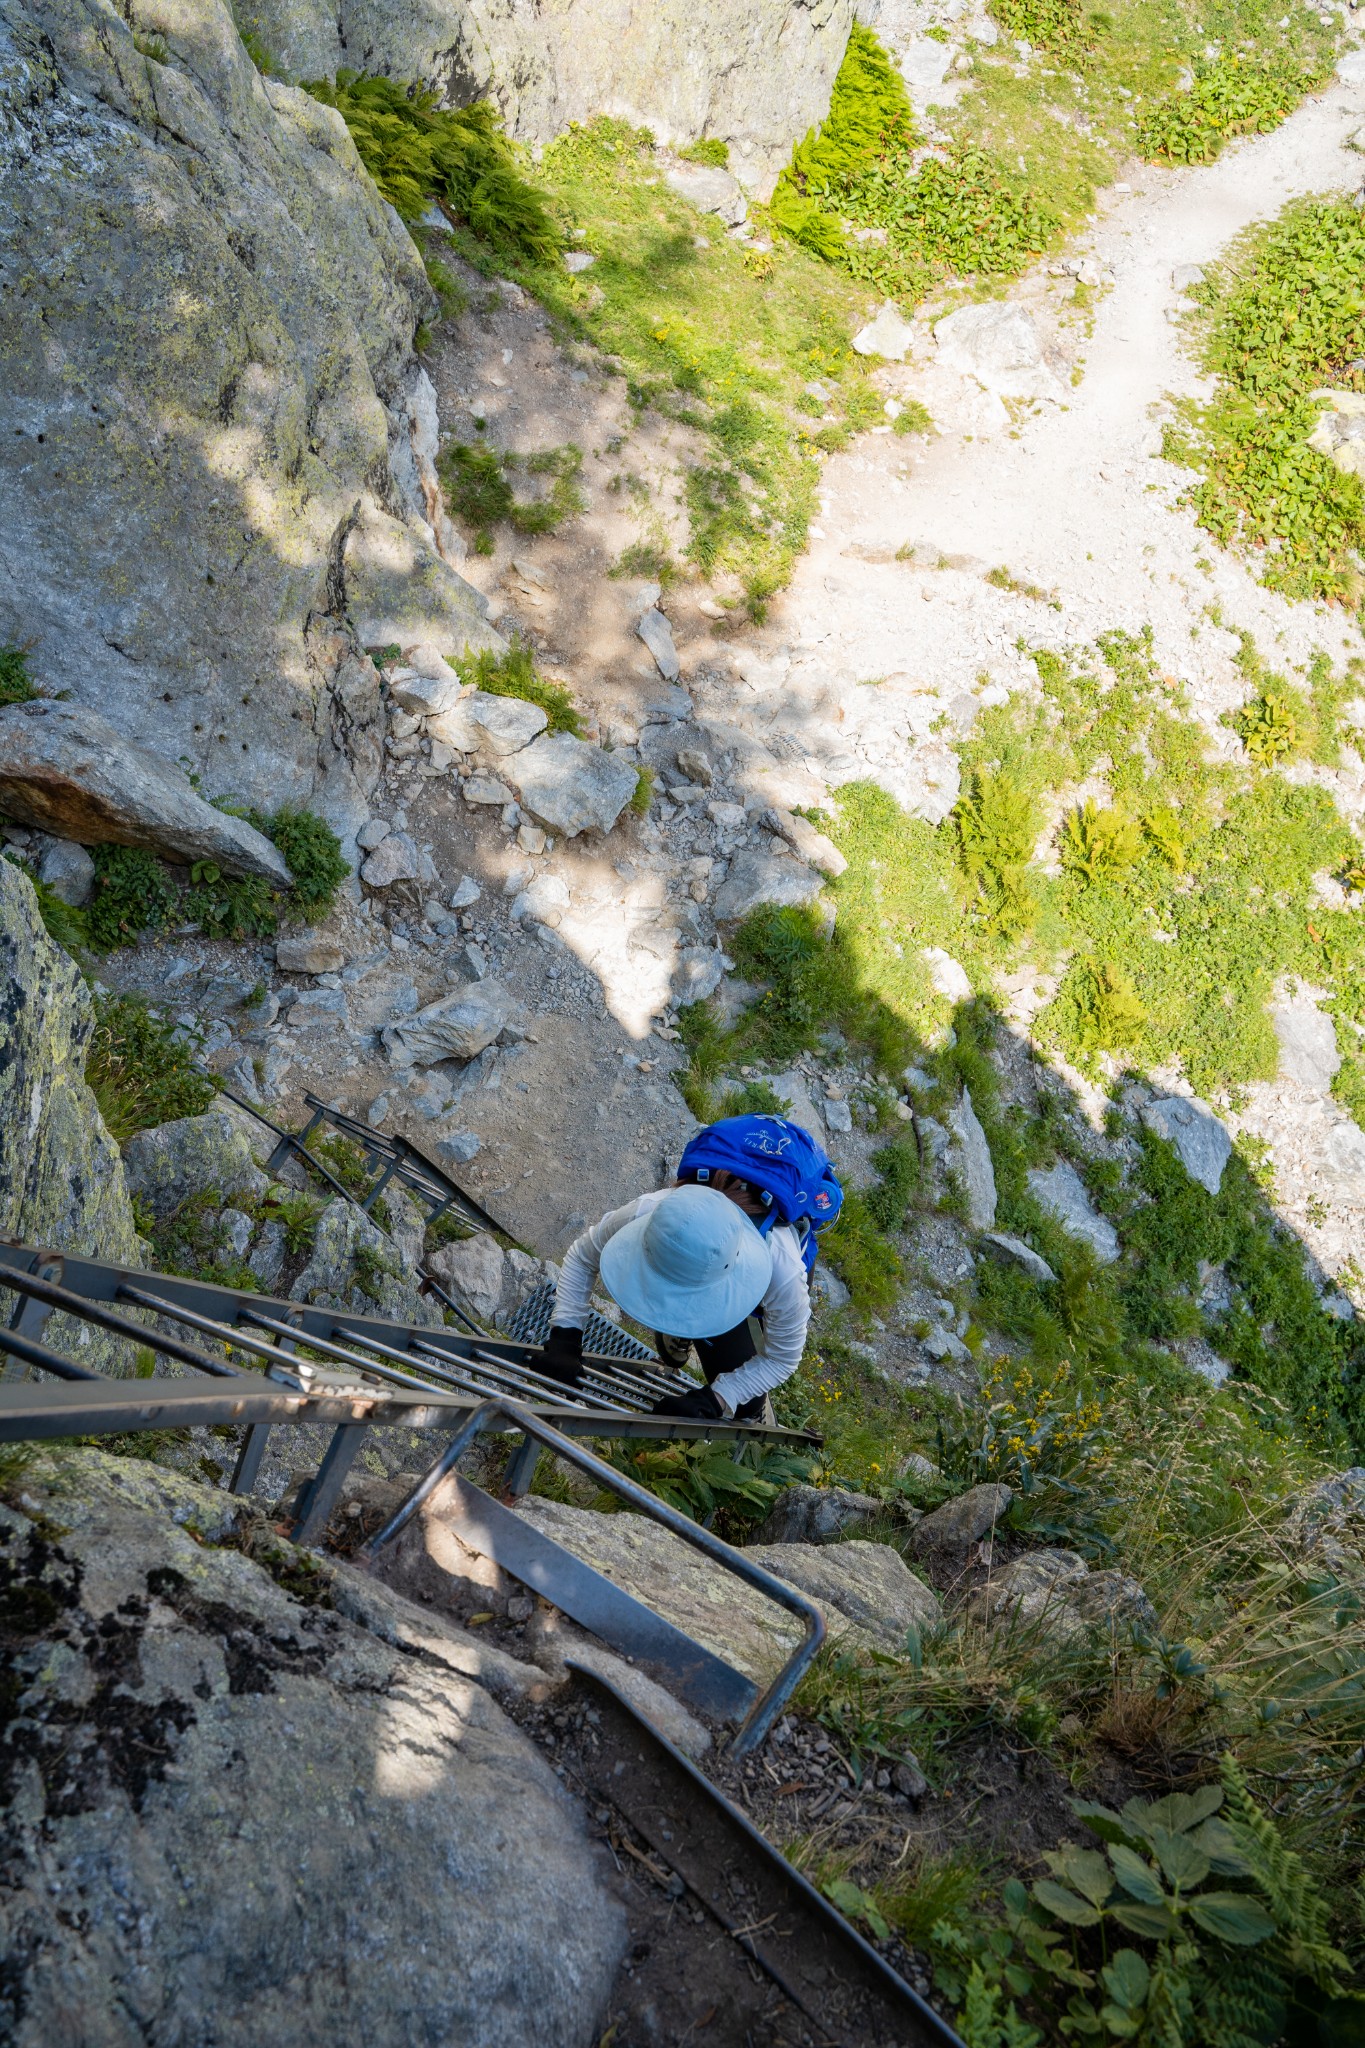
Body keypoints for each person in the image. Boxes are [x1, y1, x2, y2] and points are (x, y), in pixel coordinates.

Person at [538, 1115, 841, 1422]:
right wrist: (566, 1333)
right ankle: (678, 1335)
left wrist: (719, 1398)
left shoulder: (783, 1268)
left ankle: (734, 1389)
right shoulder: (651, 1212)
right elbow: (582, 1255)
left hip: (761, 1270)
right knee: (680, 1293)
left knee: (747, 1407)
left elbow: (781, 1358)